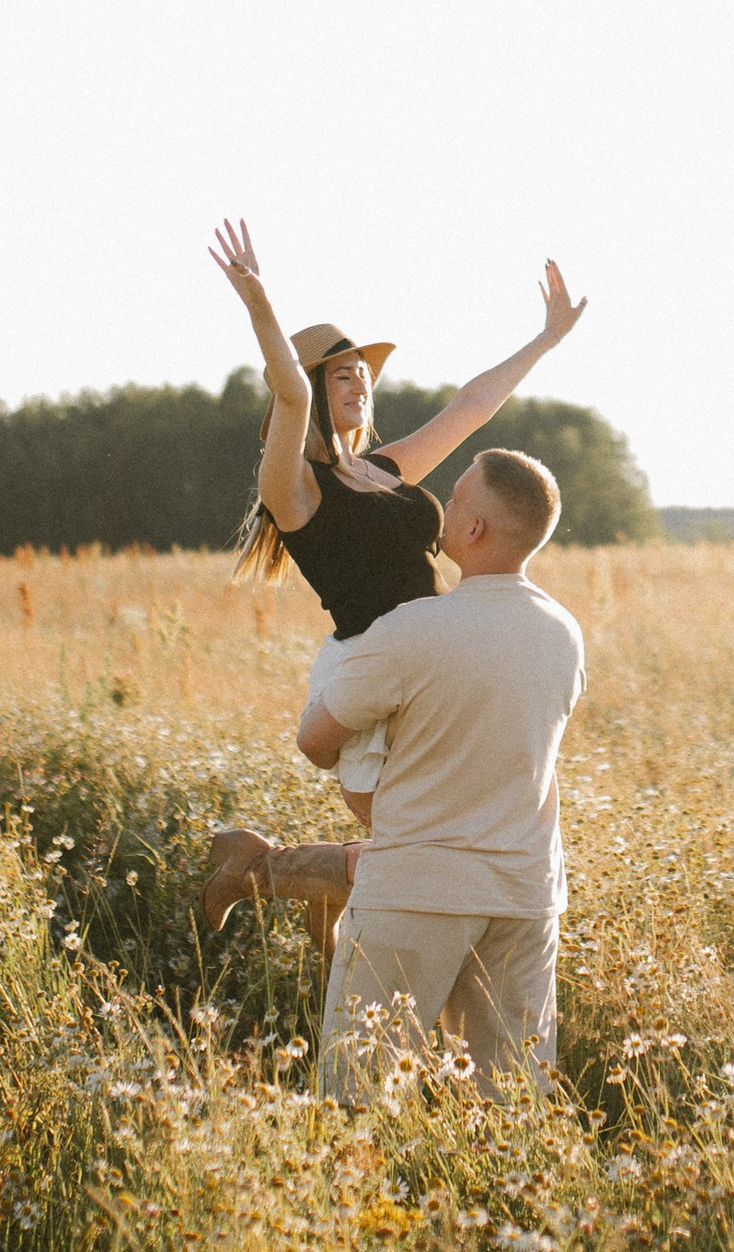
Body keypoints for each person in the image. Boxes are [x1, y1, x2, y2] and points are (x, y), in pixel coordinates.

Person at [196, 219, 584, 949]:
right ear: (313, 384)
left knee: (443, 844)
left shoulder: (383, 470)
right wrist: (258, 304)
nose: (360, 382)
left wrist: (547, 338)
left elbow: (470, 408)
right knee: (425, 848)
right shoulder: (296, 489)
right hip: (372, 670)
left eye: (363, 373)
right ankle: (272, 871)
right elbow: (288, 399)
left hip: (434, 661)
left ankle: (297, 877)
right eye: (341, 372)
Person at [302, 442, 584, 1097]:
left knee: (358, 1097)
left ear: (475, 528)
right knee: (507, 1109)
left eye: (455, 499)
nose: (443, 508)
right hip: (526, 895)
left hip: (415, 891)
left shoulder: (410, 631)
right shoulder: (563, 632)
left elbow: (315, 741)